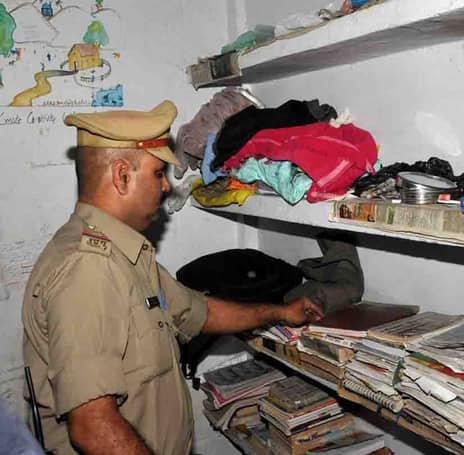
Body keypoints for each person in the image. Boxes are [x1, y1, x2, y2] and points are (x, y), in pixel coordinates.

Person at [22, 100, 324, 455]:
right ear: (122, 176)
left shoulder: (125, 255)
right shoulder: (87, 270)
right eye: (157, 173)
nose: (166, 186)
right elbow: (94, 428)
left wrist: (281, 312)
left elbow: (200, 311)